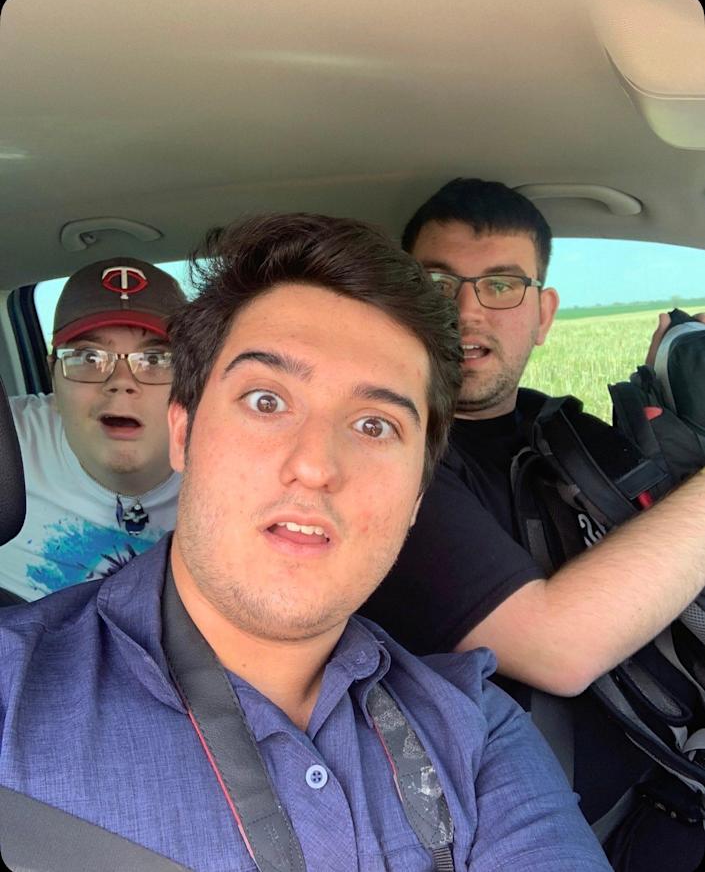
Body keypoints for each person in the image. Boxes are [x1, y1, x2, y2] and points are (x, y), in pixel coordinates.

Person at [0, 214, 610, 871]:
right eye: (266, 401)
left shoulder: (474, 734)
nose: (316, 464)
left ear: (415, 498)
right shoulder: (14, 691)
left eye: (373, 424)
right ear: (183, 434)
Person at [358, 178, 705, 864]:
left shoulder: (570, 433)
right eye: (435, 283)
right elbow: (559, 649)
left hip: (674, 784)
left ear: (542, 313)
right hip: (545, 838)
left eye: (502, 285)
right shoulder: (383, 461)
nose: (466, 310)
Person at [0, 258, 187, 601]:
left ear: (192, 382)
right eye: (88, 358)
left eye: (156, 360)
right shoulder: (8, 444)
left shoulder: (232, 466)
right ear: (53, 375)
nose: (121, 383)